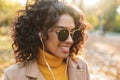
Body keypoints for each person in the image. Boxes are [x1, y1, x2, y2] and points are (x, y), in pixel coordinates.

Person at [3, 0, 90, 80]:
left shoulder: (81, 66)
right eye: (62, 32)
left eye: (73, 33)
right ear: (41, 33)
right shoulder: (13, 75)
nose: (70, 40)